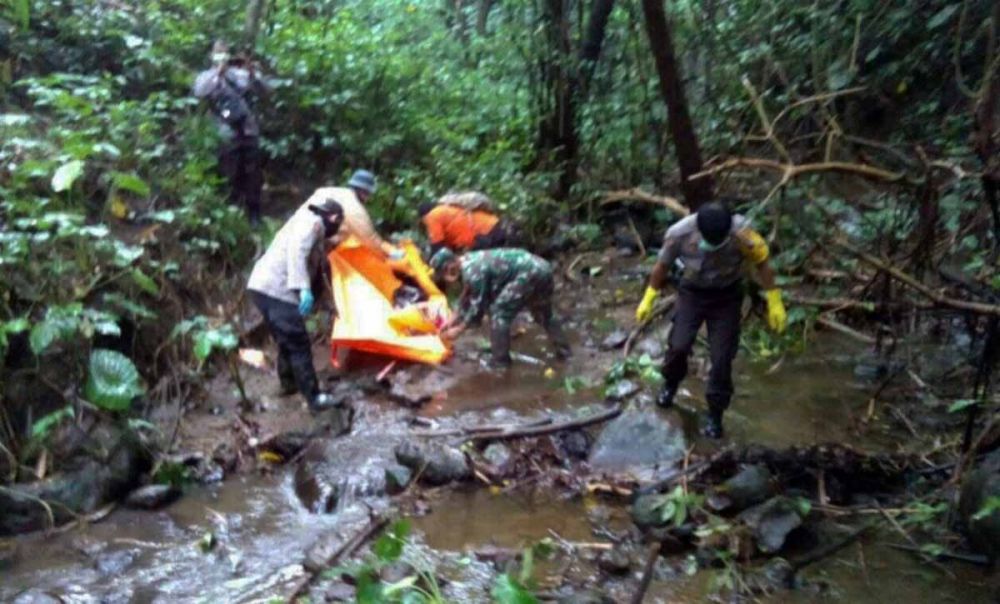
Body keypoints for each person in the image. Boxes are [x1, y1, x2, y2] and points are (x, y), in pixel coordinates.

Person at [635, 201, 787, 438]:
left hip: (727, 296)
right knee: (679, 345)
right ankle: (670, 384)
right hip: (693, 293)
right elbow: (662, 266)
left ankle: (715, 413)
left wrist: (774, 300)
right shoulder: (679, 233)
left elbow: (763, 263)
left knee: (722, 357)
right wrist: (649, 297)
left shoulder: (744, 233)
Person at [247, 197, 345, 412]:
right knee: (299, 343)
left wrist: (325, 303)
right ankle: (314, 398)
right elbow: (297, 252)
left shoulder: (303, 224)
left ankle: (289, 382)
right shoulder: (312, 224)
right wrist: (303, 288)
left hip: (260, 287)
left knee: (286, 339)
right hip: (277, 289)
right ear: (333, 218)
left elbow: (318, 273)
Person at [431, 248, 570, 368]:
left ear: (452, 264)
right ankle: (565, 352)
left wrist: (458, 330)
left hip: (529, 273)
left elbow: (477, 309)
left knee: (499, 313)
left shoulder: (473, 271)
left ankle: (500, 362)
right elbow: (467, 293)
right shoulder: (468, 261)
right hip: (541, 268)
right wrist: (454, 316)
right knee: (543, 314)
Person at [193, 40, 269, 225]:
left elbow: (264, 91)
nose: (221, 57)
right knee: (229, 171)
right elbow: (200, 92)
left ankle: (254, 212)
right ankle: (231, 210)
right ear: (212, 56)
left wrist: (252, 72)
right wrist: (218, 74)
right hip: (225, 130)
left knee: (253, 172)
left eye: (224, 53)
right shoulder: (205, 76)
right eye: (218, 53)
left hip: (248, 129)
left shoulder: (239, 75)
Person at [303, 170, 401, 259]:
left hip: (300, 232)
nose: (368, 198)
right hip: (310, 248)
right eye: (368, 194)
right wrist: (387, 255)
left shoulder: (327, 191)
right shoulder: (354, 208)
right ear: (363, 192)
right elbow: (369, 240)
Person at [418, 191, 508, 254]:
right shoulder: (448, 209)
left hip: (485, 234)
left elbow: (437, 248)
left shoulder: (432, 216)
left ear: (424, 217)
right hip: (495, 225)